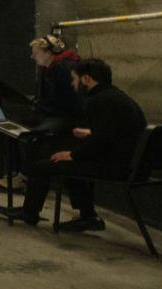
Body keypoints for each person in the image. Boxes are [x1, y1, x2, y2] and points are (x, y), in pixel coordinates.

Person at [11, 58, 147, 232]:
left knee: (44, 165)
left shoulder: (100, 101)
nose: (73, 84)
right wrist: (90, 134)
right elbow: (115, 133)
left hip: (117, 167)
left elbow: (101, 142)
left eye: (74, 79)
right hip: (131, 164)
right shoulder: (115, 96)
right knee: (67, 166)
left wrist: (72, 154)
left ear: (86, 79)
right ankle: (88, 216)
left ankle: (29, 214)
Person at [29, 34, 82, 133]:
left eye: (36, 53)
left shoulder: (65, 69)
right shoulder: (47, 68)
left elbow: (68, 102)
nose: (32, 57)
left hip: (65, 118)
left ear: (48, 53)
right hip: (54, 115)